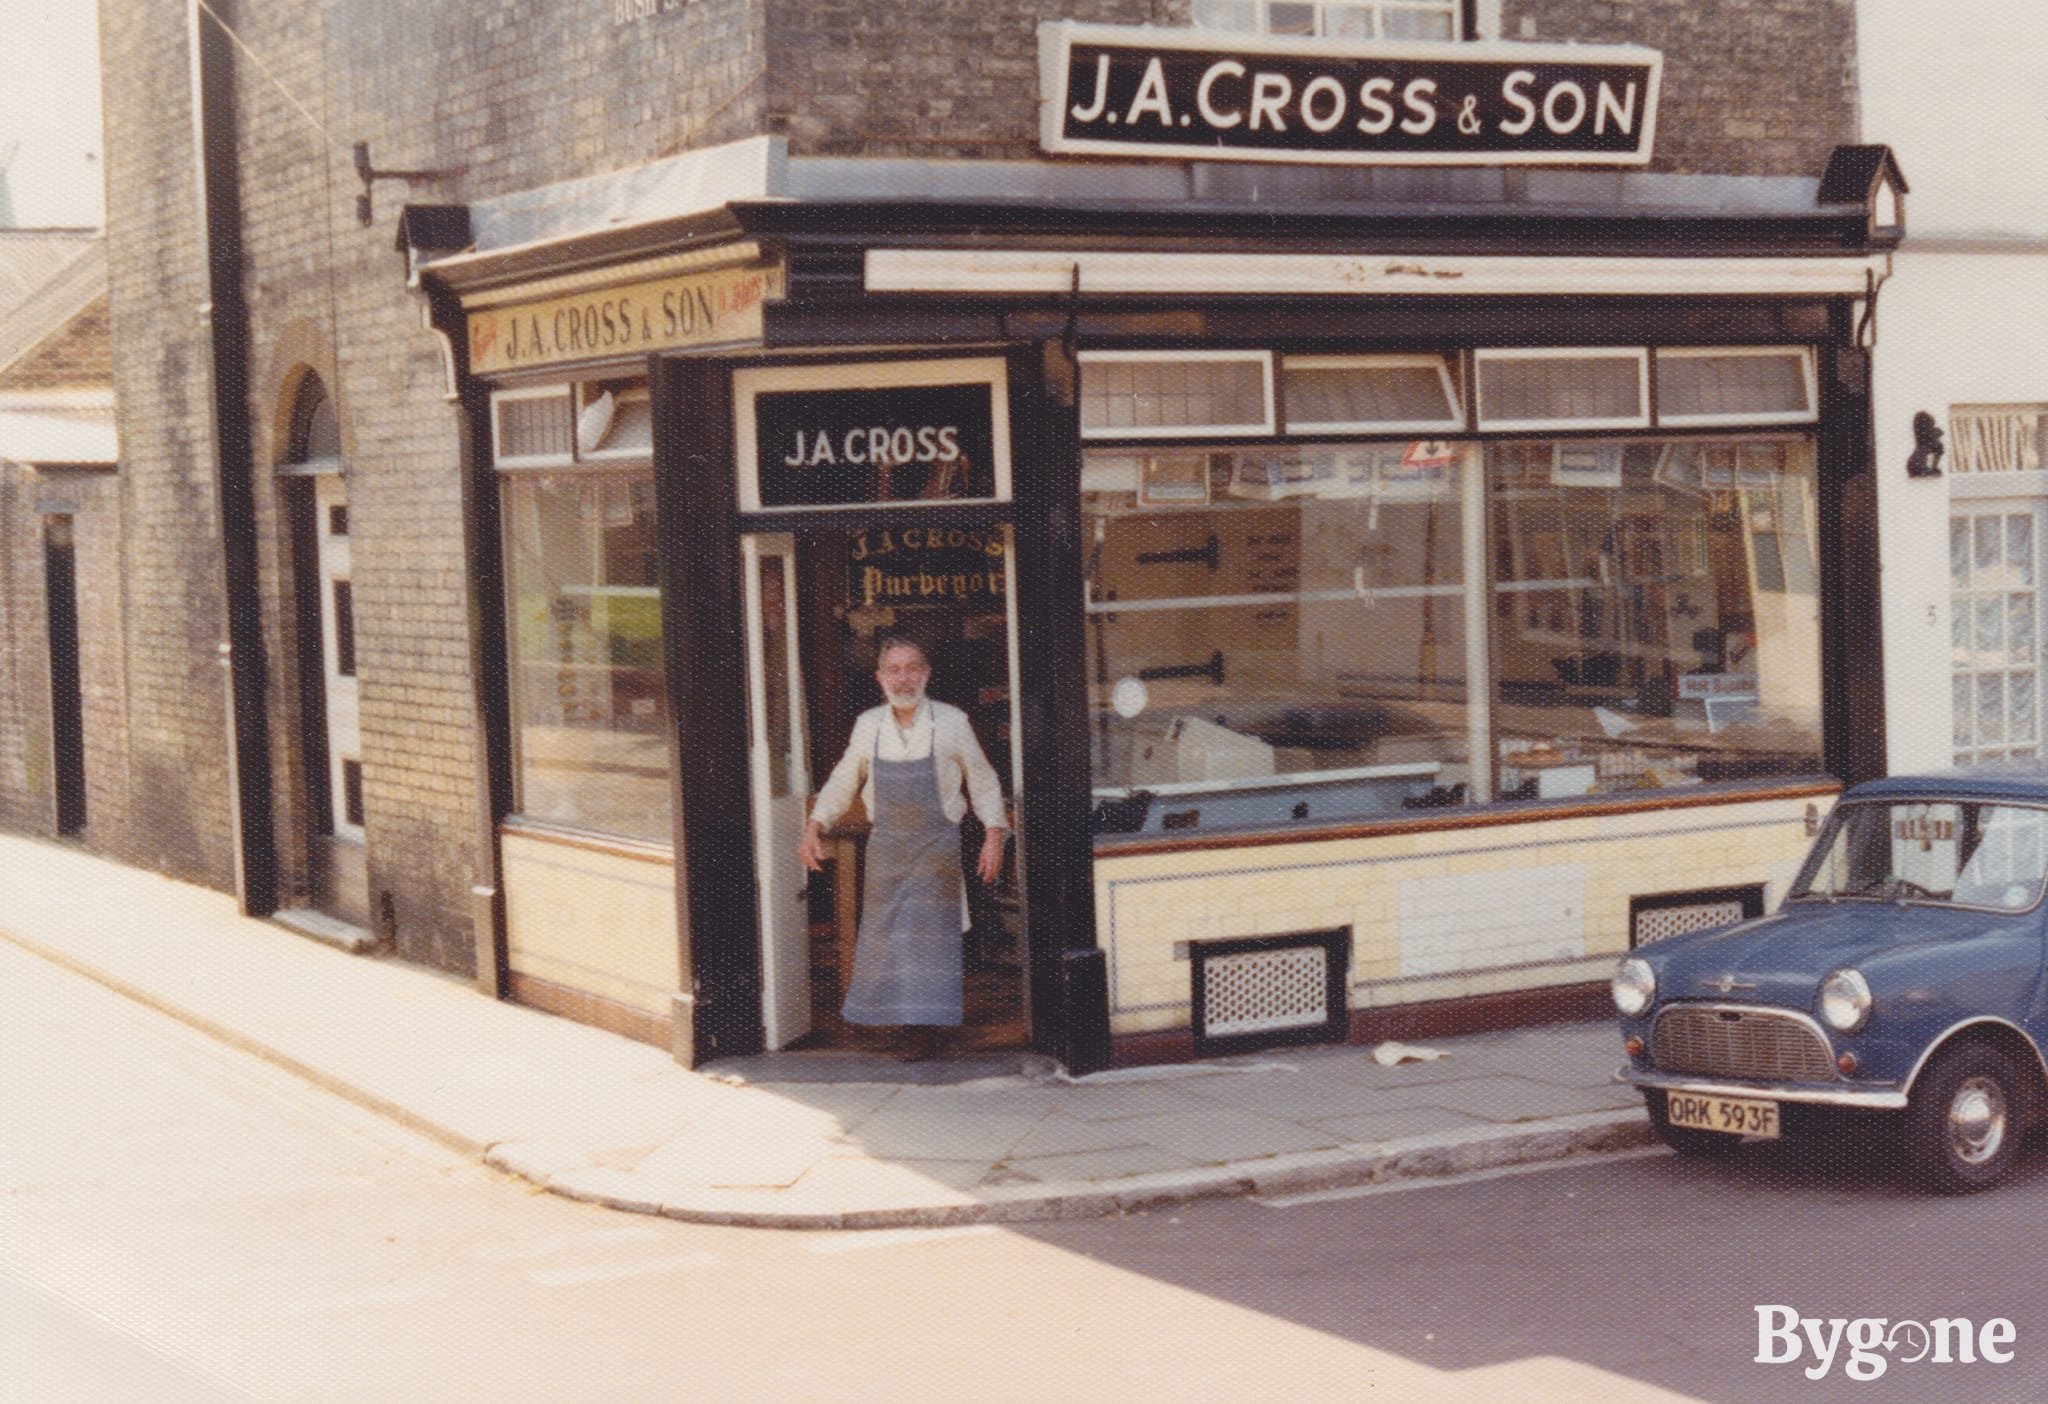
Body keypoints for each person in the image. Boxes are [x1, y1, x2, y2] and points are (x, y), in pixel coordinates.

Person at [800, 637, 1009, 1061]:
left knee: (930, 942)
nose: (904, 678)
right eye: (893, 670)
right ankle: (885, 1017)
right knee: (887, 938)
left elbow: (982, 780)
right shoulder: (868, 725)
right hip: (888, 848)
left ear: (926, 674)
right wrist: (814, 825)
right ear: (880, 678)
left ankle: (923, 1031)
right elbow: (844, 778)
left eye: (912, 668)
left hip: (937, 848)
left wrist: (994, 835)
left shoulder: (952, 722)